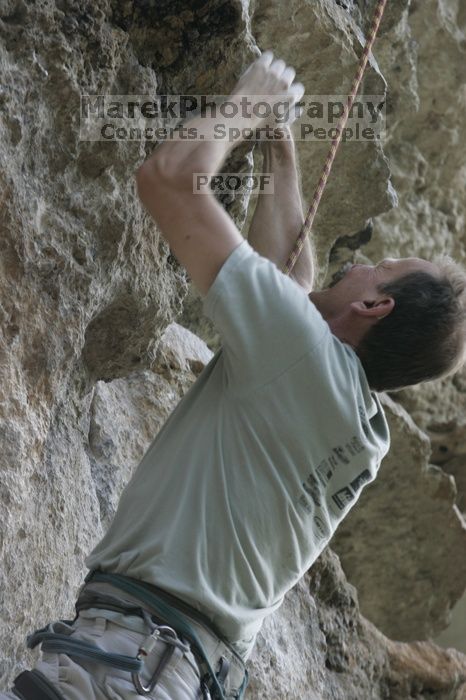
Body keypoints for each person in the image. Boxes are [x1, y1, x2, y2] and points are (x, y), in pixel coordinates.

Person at [2, 51, 465, 700]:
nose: (355, 264)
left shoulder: (302, 357)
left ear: (374, 306)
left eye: (376, 265)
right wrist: (279, 143)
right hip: (168, 670)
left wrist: (249, 101)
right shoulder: (358, 427)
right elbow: (289, 280)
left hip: (127, 664)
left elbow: (168, 180)